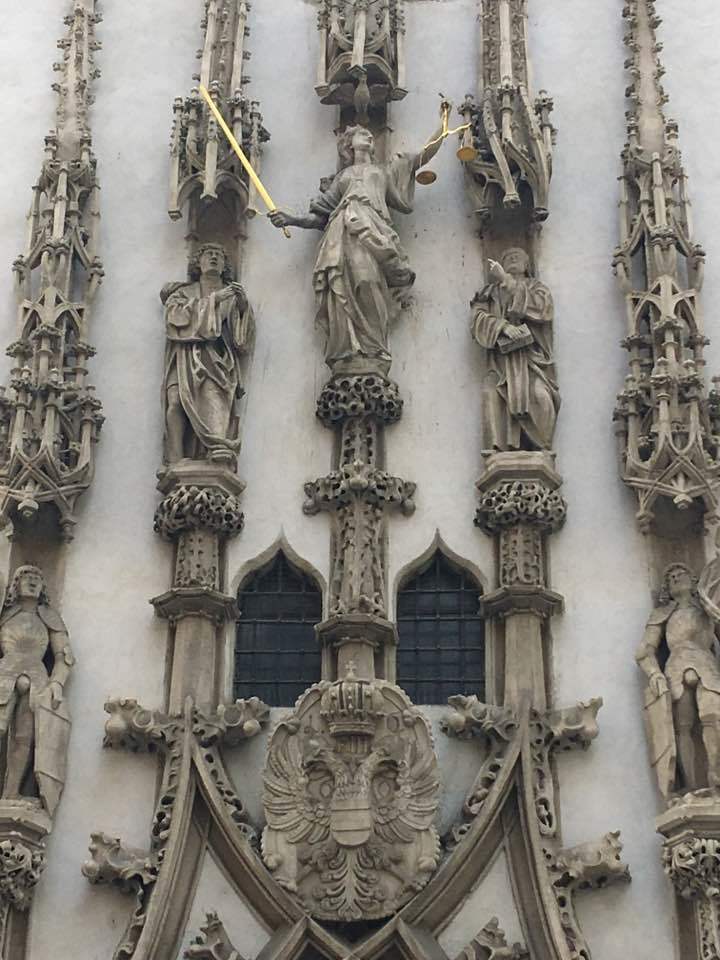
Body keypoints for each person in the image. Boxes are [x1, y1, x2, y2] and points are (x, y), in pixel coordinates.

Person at [268, 112, 449, 376]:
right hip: (342, 230)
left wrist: (443, 125)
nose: (368, 136)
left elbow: (422, 157)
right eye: (361, 134)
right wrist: (290, 219)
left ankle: (374, 348)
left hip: (373, 229)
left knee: (368, 281)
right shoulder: (343, 178)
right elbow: (319, 218)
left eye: (369, 134)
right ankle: (348, 349)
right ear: (349, 145)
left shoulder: (383, 171)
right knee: (342, 285)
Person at [161, 243, 253, 465]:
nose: (214, 258)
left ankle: (217, 448)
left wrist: (242, 308)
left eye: (219, 255)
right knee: (175, 402)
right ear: (197, 263)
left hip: (215, 360)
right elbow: (174, 318)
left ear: (224, 266)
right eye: (208, 254)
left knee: (214, 402)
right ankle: (175, 459)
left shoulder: (232, 295)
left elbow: (241, 341)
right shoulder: (183, 292)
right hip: (183, 357)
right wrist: (214, 300)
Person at [636, 562, 720, 796]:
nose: (674, 578)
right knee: (683, 726)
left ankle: (716, 779)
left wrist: (714, 611)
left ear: (693, 581)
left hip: (706, 665)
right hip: (676, 666)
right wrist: (654, 673)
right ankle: (690, 786)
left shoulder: (707, 609)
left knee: (713, 717)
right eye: (670, 577)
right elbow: (645, 650)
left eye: (680, 574)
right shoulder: (662, 614)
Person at [0, 565, 73, 815]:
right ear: (15, 585)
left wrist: (56, 684)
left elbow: (64, 657)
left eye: (37, 578)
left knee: (25, 738)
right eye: (26, 577)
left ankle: (11, 791)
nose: (32, 582)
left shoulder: (49, 617)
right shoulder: (6, 614)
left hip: (37, 679)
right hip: (5, 674)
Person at [471, 247, 559, 451]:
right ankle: (498, 452)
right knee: (491, 393)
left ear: (527, 265)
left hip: (532, 362)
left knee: (540, 396)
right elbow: (477, 318)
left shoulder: (537, 288)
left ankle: (541, 448)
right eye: (507, 257)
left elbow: (543, 310)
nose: (512, 259)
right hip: (501, 365)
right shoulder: (489, 293)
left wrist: (508, 282)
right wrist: (503, 327)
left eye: (517, 256)